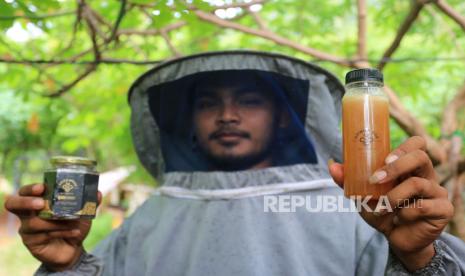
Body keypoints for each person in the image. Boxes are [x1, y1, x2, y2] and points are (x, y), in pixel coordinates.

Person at [5, 51, 465, 275]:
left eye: (248, 100)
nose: (227, 115)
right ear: (188, 121)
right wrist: (66, 266)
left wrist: (421, 258)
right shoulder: (150, 219)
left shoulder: (360, 210)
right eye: (209, 103)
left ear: (284, 120)